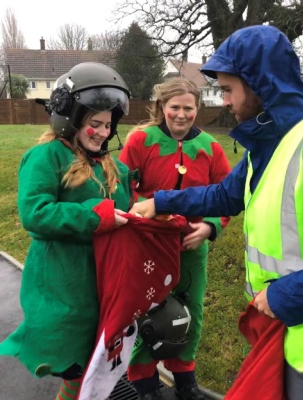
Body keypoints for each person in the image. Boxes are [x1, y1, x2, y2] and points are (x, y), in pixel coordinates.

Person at [128, 25, 303, 400]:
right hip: (282, 331)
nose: (225, 101)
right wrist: (162, 202)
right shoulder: (268, 143)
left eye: (229, 89)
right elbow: (225, 195)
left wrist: (282, 298)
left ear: (259, 85)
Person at [0, 62, 132, 400]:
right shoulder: (46, 156)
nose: (102, 133)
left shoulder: (110, 164)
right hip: (63, 282)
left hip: (102, 280)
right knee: (72, 361)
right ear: (68, 118)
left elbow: (126, 206)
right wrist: (95, 216)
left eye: (108, 125)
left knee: (92, 362)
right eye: (94, 124)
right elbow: (35, 213)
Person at [119, 77, 231, 400]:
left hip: (191, 249)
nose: (181, 115)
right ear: (162, 107)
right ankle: (144, 381)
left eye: (188, 108)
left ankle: (184, 378)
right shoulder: (141, 140)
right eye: (175, 107)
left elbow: (226, 195)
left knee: (191, 314)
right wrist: (142, 214)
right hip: (149, 247)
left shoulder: (210, 147)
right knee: (148, 312)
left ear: (198, 108)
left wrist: (209, 226)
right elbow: (121, 187)